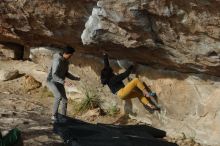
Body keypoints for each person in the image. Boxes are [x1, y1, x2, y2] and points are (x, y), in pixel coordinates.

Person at [47, 46, 80, 121]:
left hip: (60, 81)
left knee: (65, 99)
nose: (70, 57)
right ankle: (53, 115)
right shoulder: (57, 60)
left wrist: (75, 78)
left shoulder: (66, 61)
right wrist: (64, 82)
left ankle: (63, 117)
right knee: (58, 96)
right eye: (70, 55)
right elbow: (54, 75)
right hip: (51, 81)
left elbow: (66, 73)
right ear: (65, 53)